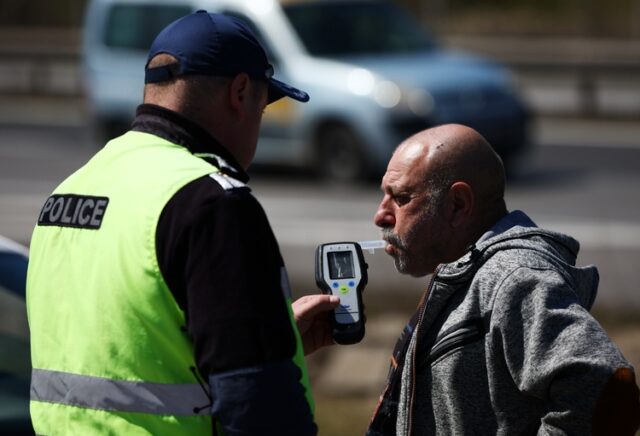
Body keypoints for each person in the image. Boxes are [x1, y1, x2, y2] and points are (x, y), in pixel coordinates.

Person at [26, 11, 339, 435]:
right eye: (263, 109)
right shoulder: (211, 204)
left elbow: (121, 349)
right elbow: (259, 407)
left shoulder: (68, 191)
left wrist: (273, 334)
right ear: (241, 92)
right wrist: (262, 349)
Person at [367, 124, 640, 435]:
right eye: (384, 195)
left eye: (400, 197)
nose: (380, 215)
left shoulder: (515, 277)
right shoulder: (464, 270)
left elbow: (608, 387)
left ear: (458, 204)